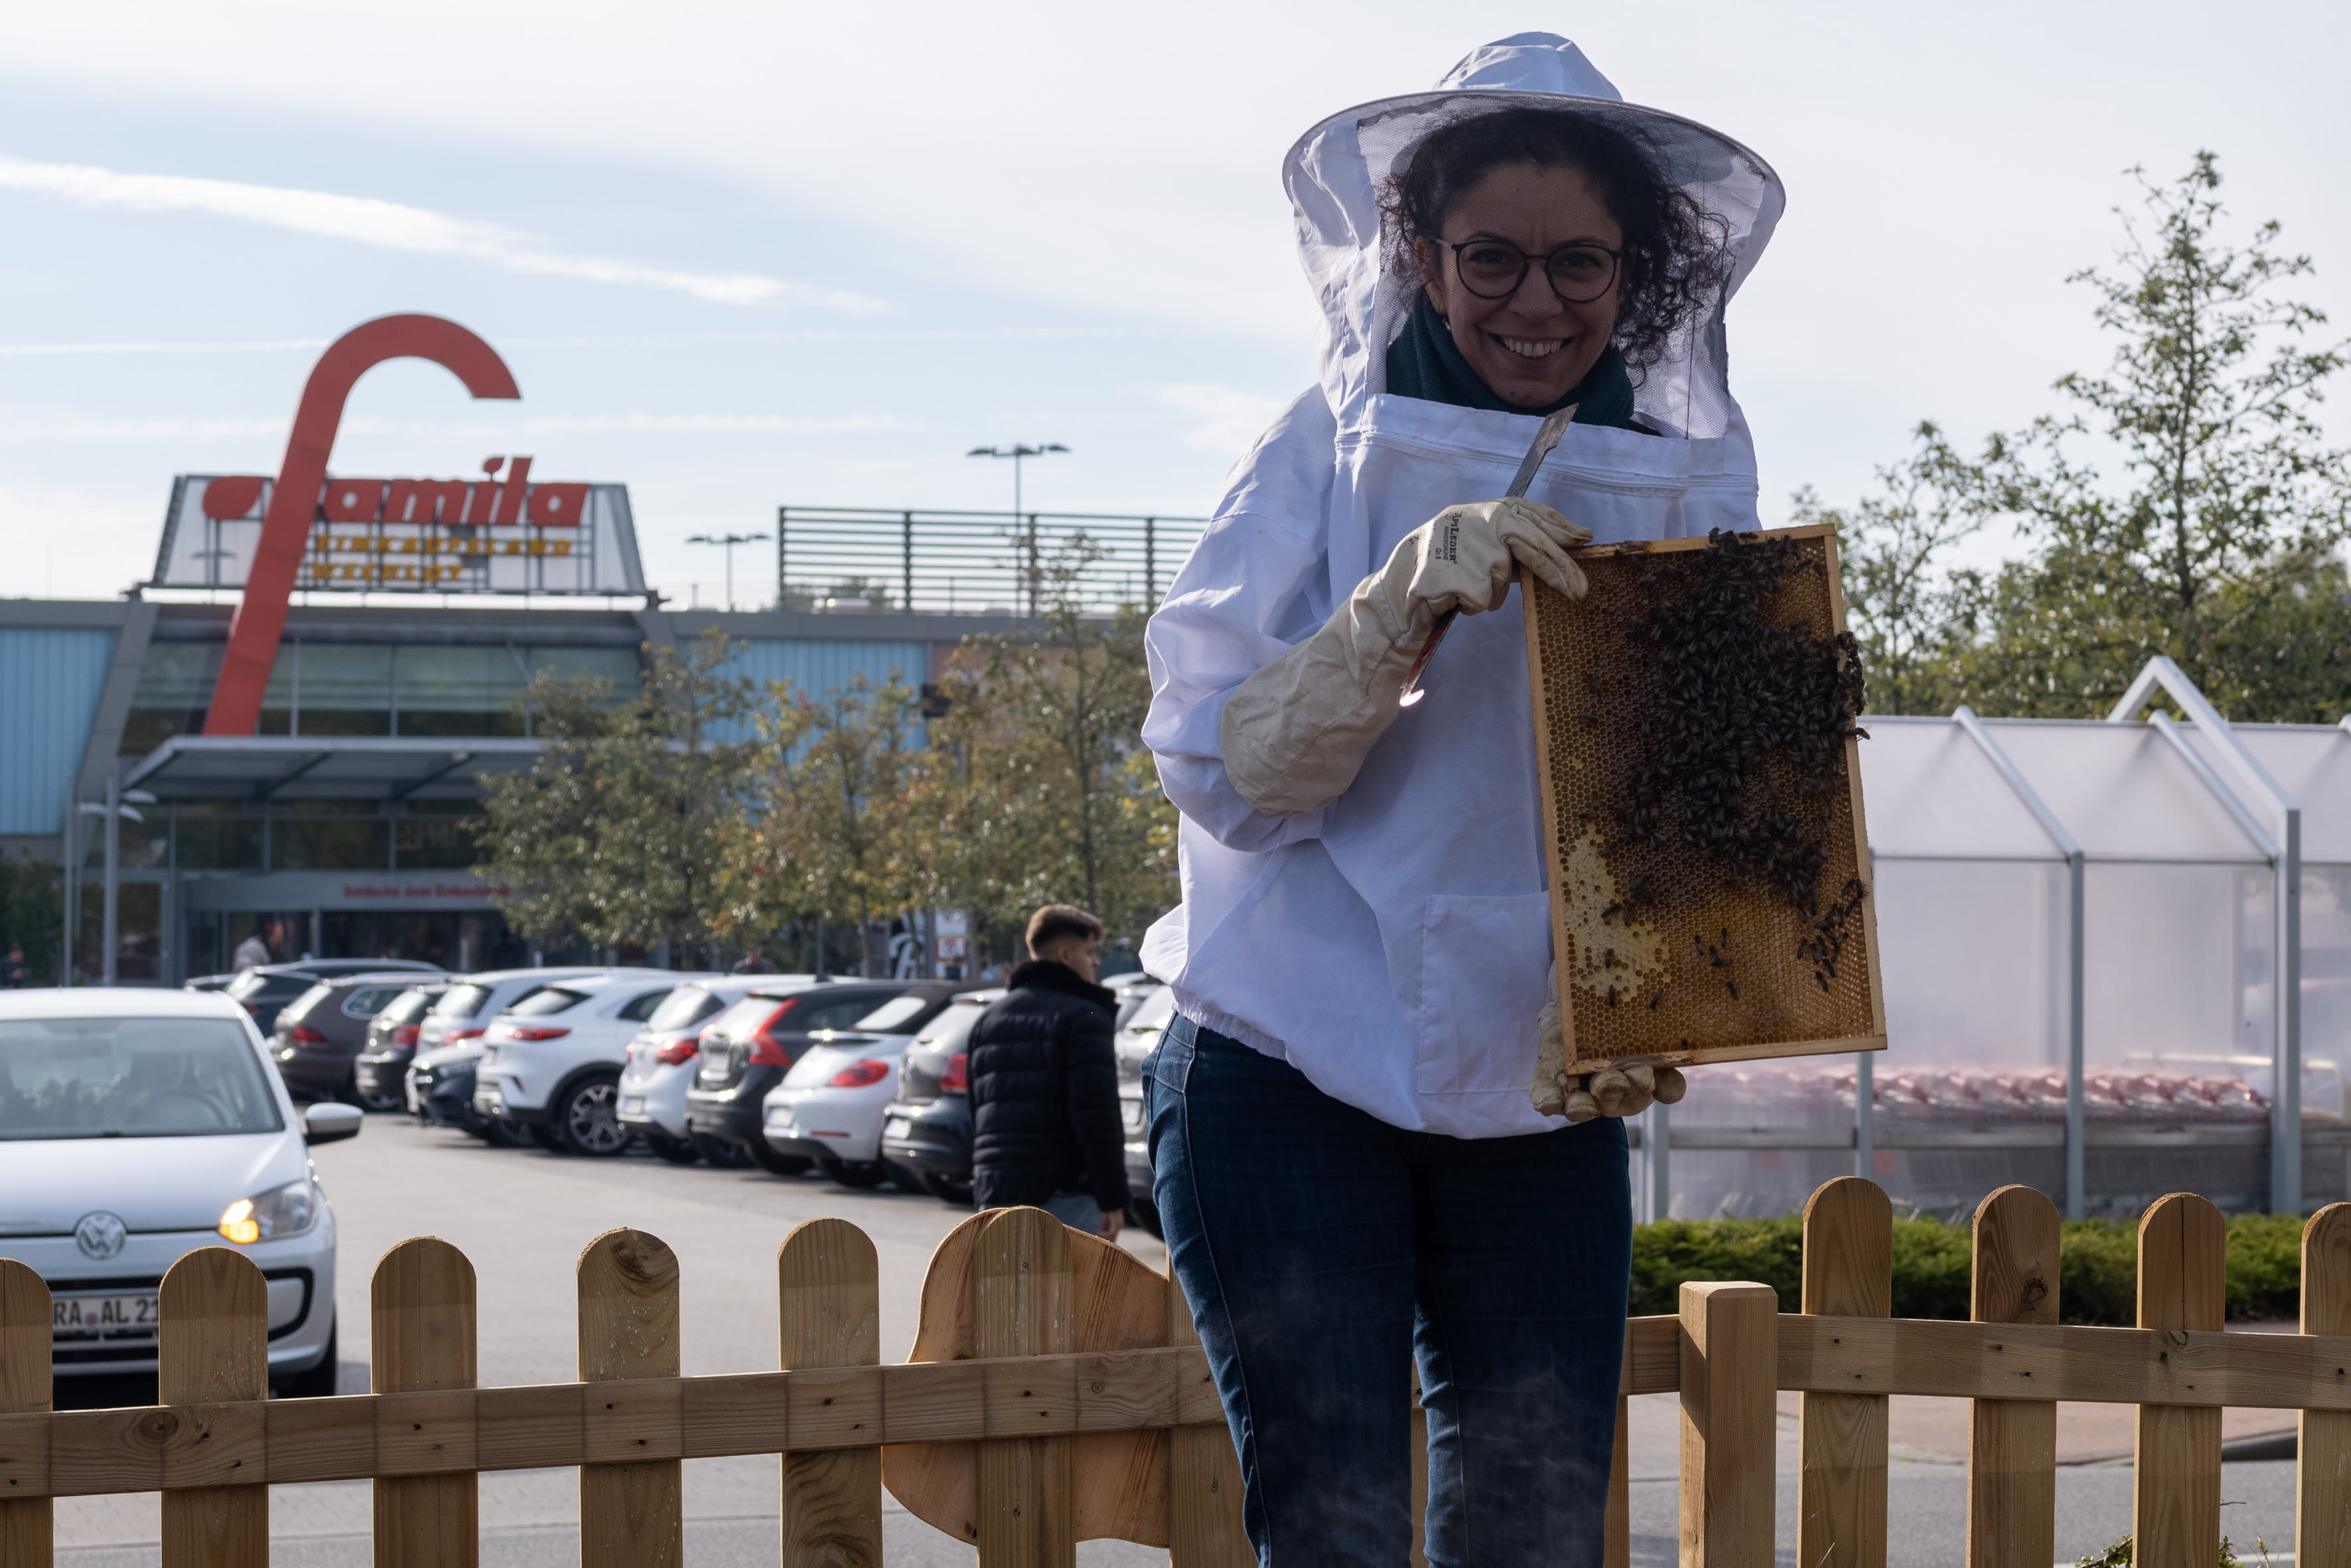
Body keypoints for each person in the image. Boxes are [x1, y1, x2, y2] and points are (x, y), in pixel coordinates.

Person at [1139, 35, 1780, 1567]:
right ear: (1419, 252)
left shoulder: (1690, 481)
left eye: (1581, 264)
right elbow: (1216, 768)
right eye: (1493, 258)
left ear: (1644, 269)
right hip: (1285, 1057)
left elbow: (1697, 825)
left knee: (1538, 1527)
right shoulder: (1315, 452)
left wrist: (1670, 992)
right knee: (1339, 1526)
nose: (1537, 302)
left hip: (1543, 1084)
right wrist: (1383, 622)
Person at [964, 904, 1130, 1240]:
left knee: (1005, 1293)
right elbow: (1097, 1117)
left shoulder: (989, 1019)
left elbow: (976, 1112)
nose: (1096, 962)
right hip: (1064, 1193)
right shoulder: (1085, 1017)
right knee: (1072, 1292)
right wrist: (1112, 1196)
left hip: (995, 1195)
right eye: (1090, 952)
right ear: (1065, 955)